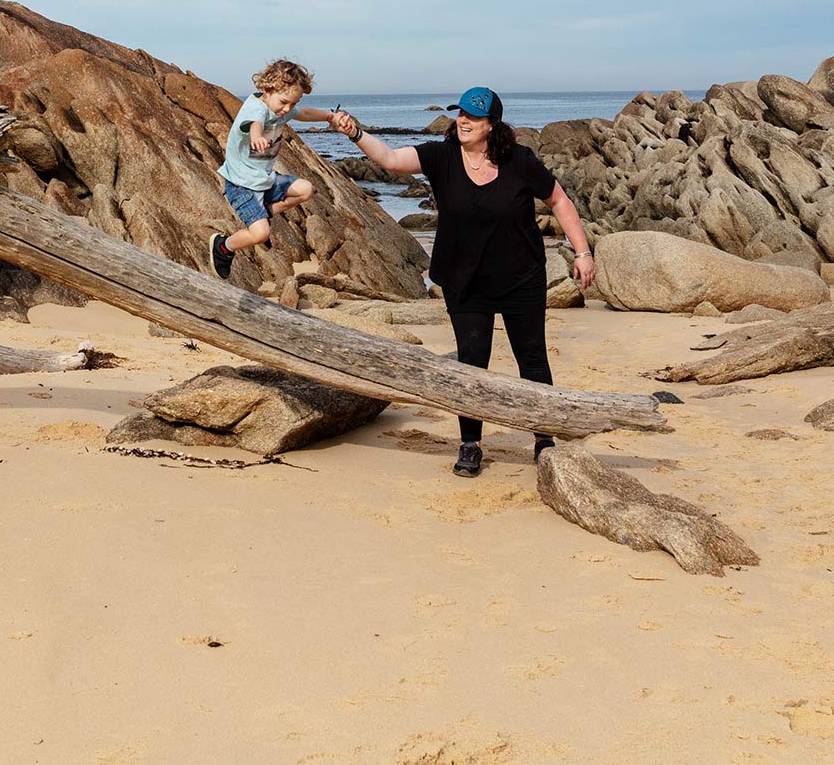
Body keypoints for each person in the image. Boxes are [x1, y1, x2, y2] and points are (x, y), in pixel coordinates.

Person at [333, 86, 595, 477]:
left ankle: (544, 438)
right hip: (464, 280)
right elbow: (389, 159)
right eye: (460, 113)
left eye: (473, 116)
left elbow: (559, 201)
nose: (463, 121)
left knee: (533, 359)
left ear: (491, 124)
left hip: (520, 277)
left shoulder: (519, 161)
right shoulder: (441, 158)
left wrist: (582, 252)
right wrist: (355, 132)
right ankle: (470, 444)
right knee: (472, 363)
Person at [208, 59, 335, 280]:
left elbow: (303, 114)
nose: (286, 109)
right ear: (267, 89)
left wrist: (329, 117)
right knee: (260, 234)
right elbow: (254, 124)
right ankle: (224, 246)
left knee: (305, 189)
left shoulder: (281, 109)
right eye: (284, 102)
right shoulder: (256, 108)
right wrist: (256, 137)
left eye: (292, 104)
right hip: (242, 185)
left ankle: (265, 213)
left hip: (264, 179)